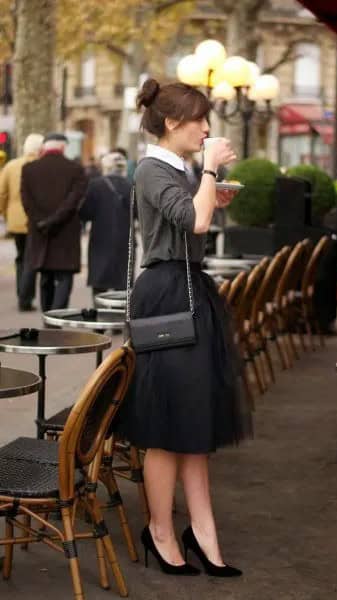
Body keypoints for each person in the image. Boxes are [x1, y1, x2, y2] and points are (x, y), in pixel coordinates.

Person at [117, 78, 252, 577]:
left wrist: (209, 191)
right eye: (198, 119)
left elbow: (194, 219)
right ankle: (161, 530)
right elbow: (192, 225)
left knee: (193, 421)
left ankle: (202, 529)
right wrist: (212, 169)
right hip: (170, 294)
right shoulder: (153, 167)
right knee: (166, 422)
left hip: (188, 290)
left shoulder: (177, 168)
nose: (206, 127)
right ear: (172, 122)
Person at [21, 132, 88, 312]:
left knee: (45, 275)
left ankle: (47, 315)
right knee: (64, 276)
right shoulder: (76, 169)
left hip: (40, 231)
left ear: (45, 147)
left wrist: (41, 222)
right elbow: (73, 202)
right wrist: (54, 220)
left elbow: (27, 202)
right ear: (63, 147)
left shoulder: (29, 169)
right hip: (65, 231)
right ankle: (57, 318)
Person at [0, 133, 43, 311]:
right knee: (31, 259)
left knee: (20, 257)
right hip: (35, 219)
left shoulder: (11, 166)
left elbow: (2, 193)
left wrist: (5, 213)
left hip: (15, 219)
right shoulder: (40, 166)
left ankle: (21, 292)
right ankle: (25, 297)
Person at [80, 151, 131, 300]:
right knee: (122, 280)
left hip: (100, 237)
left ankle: (100, 310)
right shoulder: (130, 185)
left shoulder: (96, 185)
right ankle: (120, 313)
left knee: (99, 278)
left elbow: (85, 212)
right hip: (124, 238)